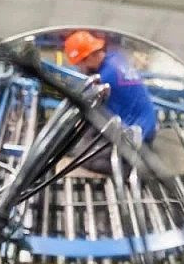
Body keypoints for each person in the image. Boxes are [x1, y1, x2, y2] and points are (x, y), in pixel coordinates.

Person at [63, 31, 158, 174]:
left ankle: (136, 168)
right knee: (88, 135)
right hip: (146, 123)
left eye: (79, 64)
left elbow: (87, 107)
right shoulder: (116, 57)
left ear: (89, 58)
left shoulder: (104, 79)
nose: (79, 69)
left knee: (84, 158)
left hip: (138, 135)